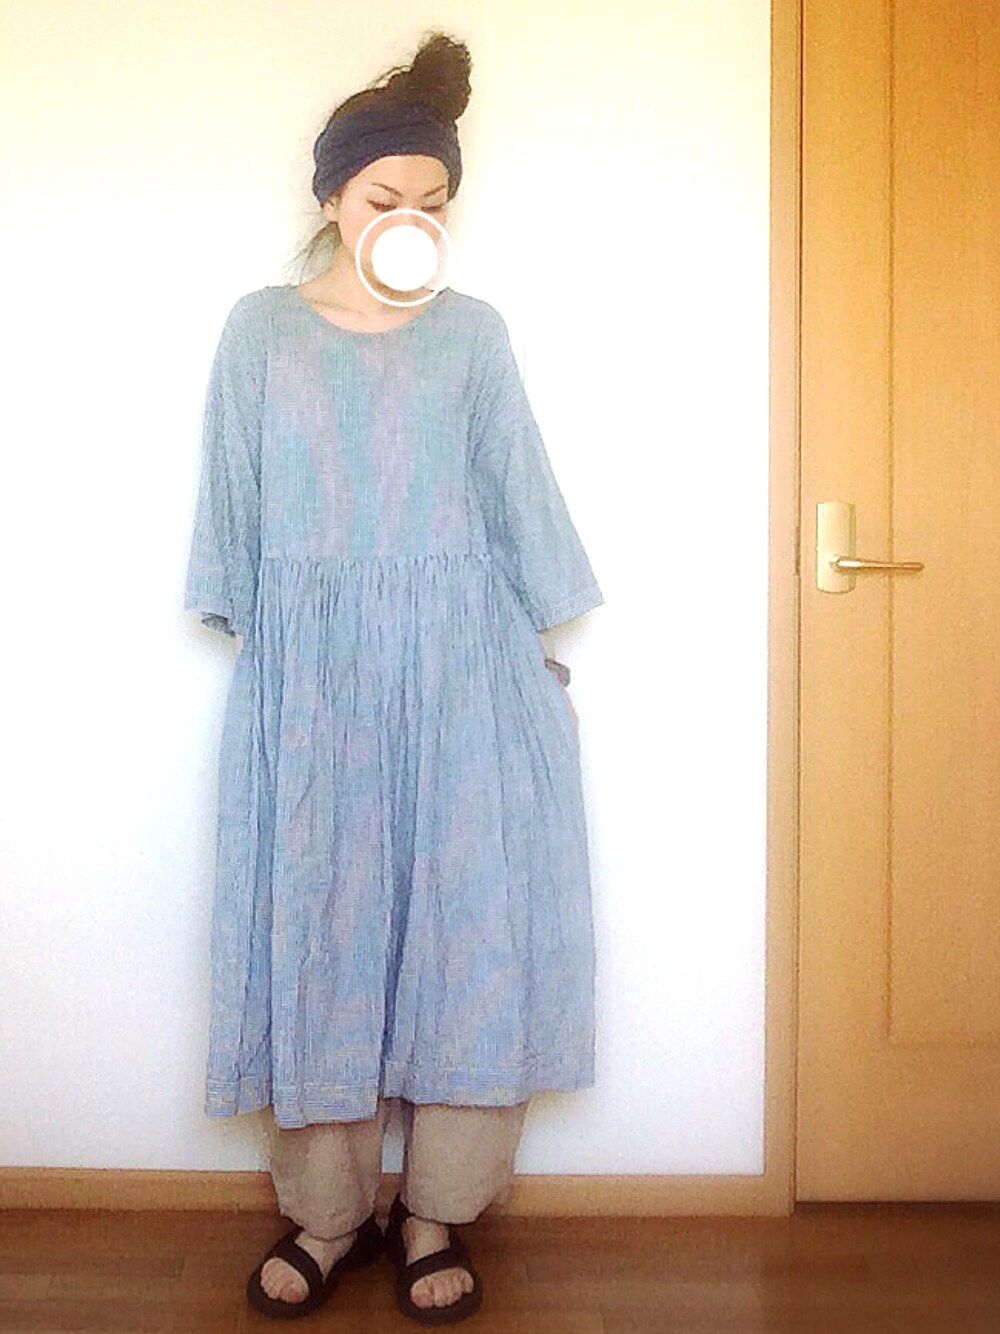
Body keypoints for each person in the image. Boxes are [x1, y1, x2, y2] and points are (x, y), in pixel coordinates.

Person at [183, 30, 604, 1325]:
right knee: (319, 931)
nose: (408, 221)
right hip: (316, 688)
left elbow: (519, 497)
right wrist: (283, 672)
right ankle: (329, 1213)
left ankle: (436, 1210)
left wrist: (530, 657)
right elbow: (233, 528)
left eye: (434, 203)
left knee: (467, 938)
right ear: (332, 196)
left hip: (466, 679)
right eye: (384, 198)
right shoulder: (260, 331)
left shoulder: (474, 336)